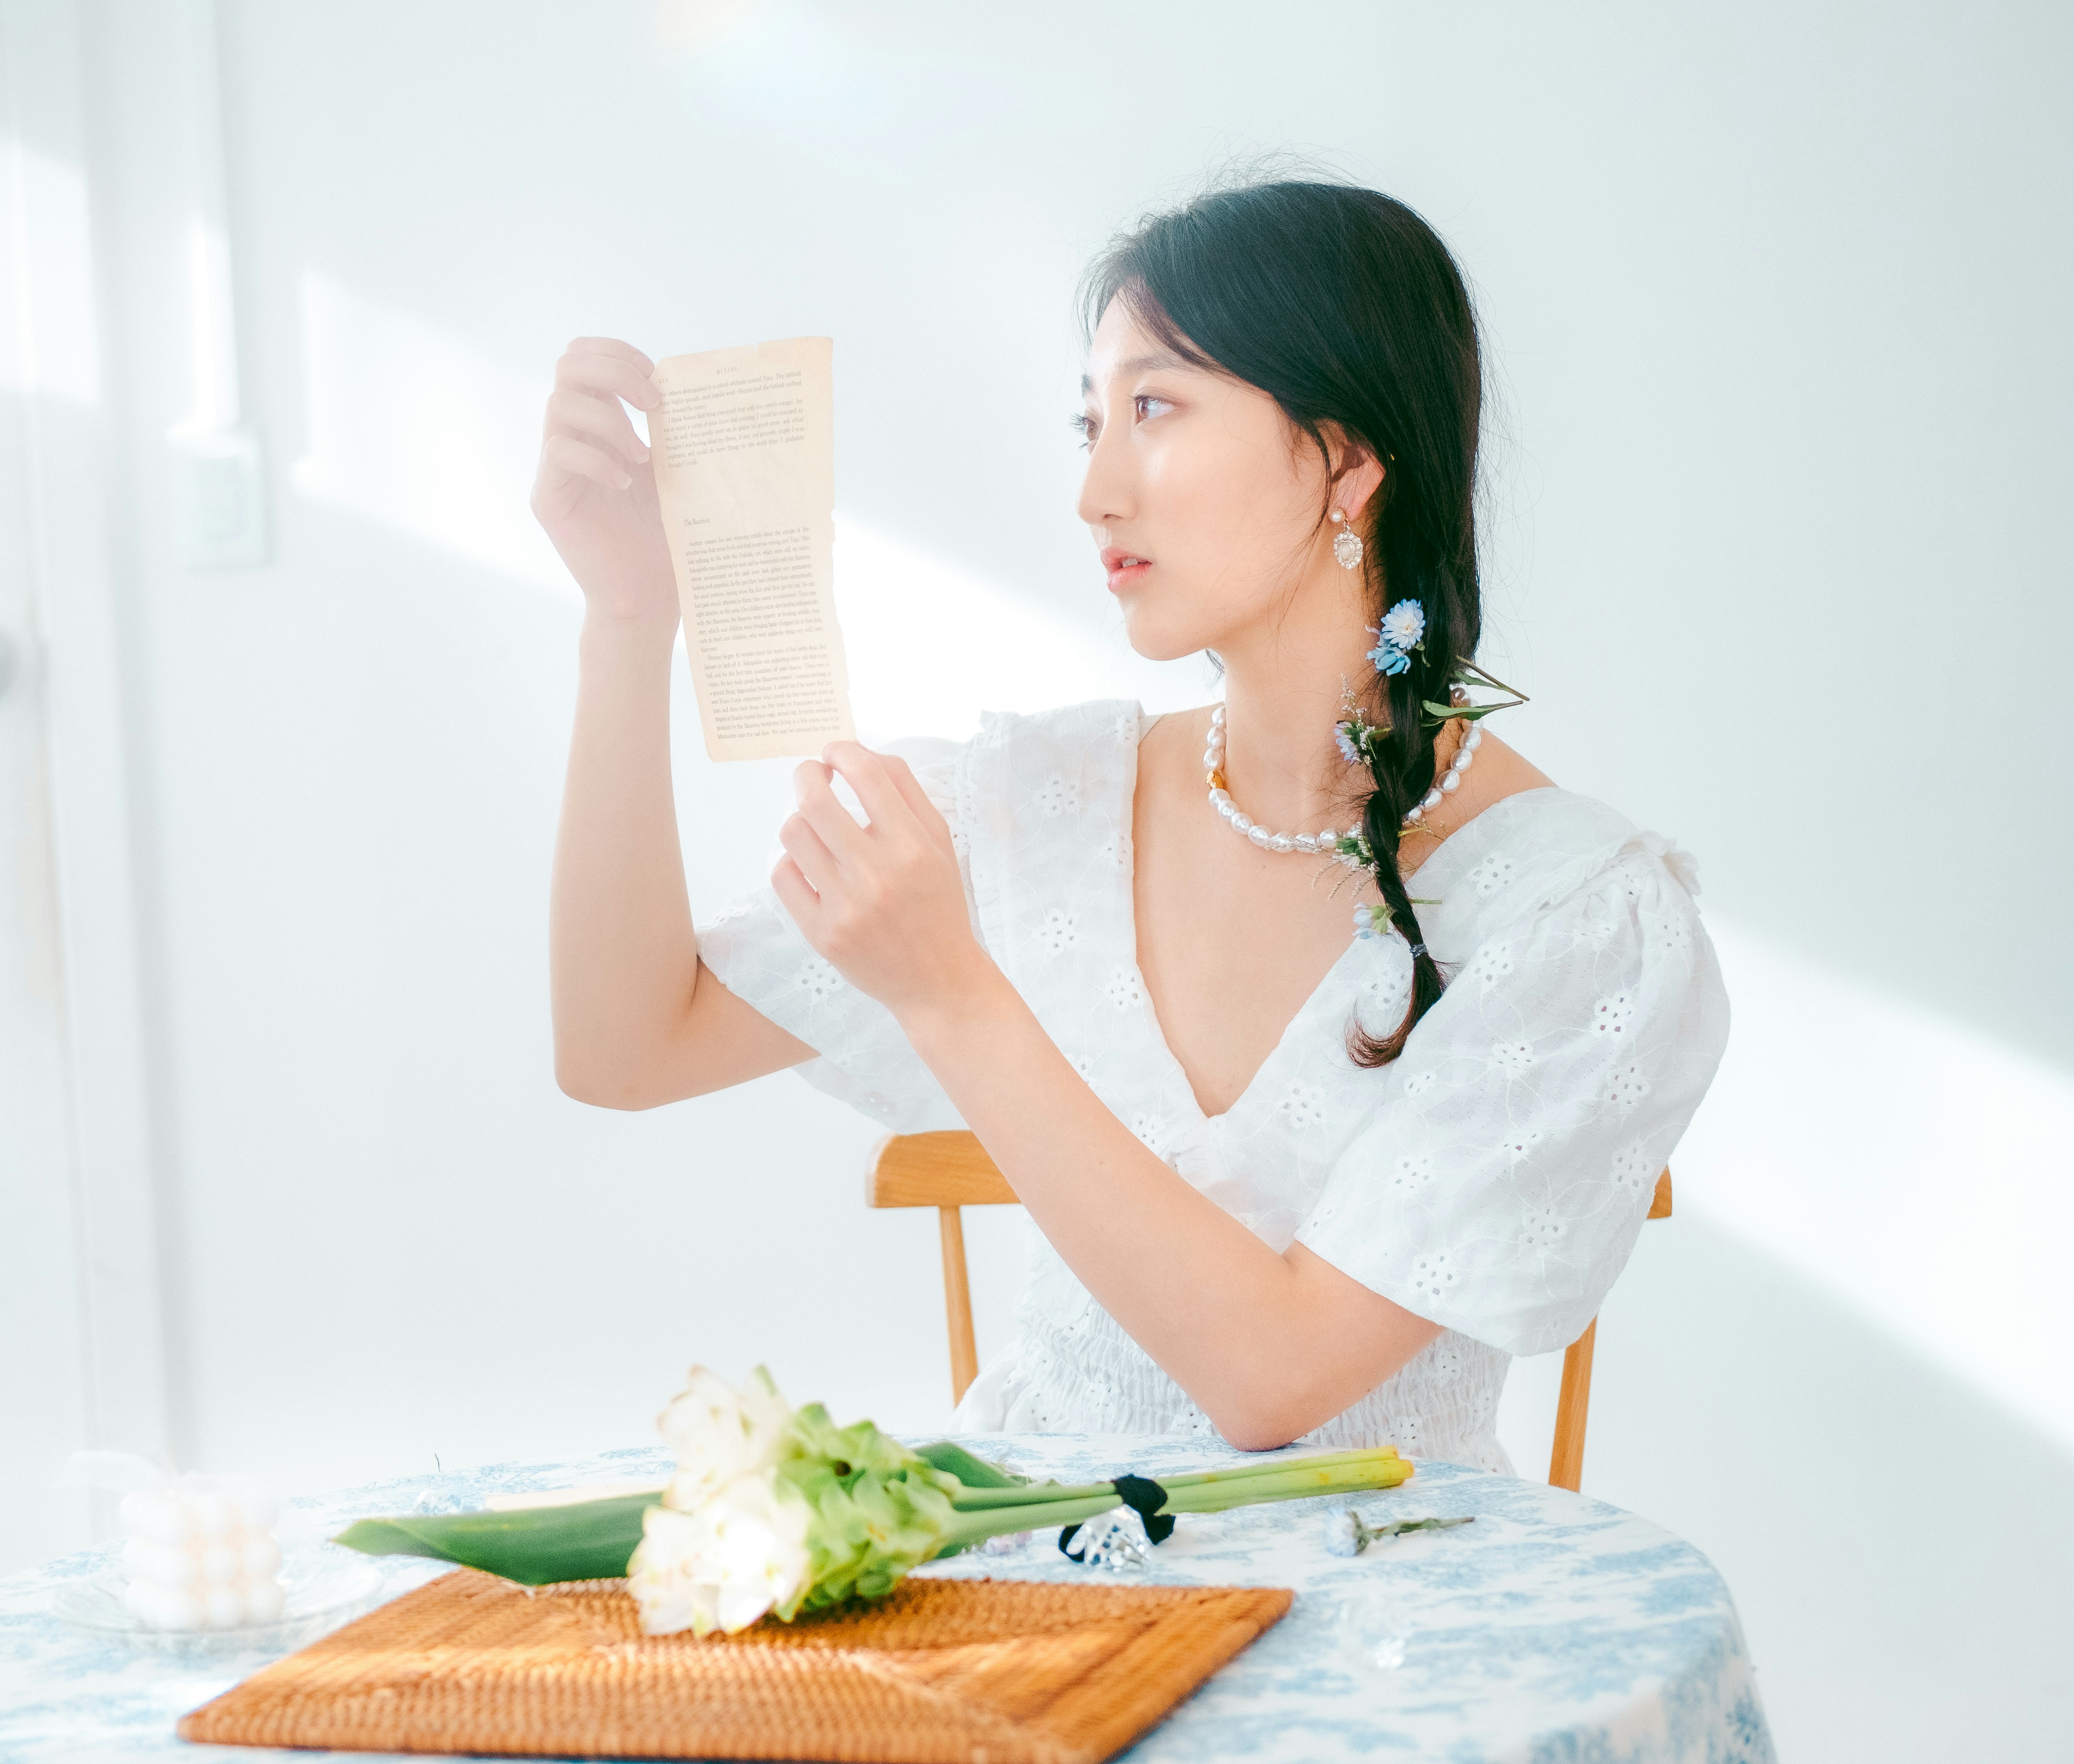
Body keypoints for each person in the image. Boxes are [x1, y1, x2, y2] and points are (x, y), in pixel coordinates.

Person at [538, 180, 1727, 1472]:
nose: (1096, 492)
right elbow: (623, 1046)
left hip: (1391, 1636)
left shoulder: (1574, 913)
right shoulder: (1033, 807)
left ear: (1348, 460)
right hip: (1036, 1609)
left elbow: (1274, 1385)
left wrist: (952, 994)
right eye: (1090, 421)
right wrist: (628, 616)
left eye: (1154, 409)